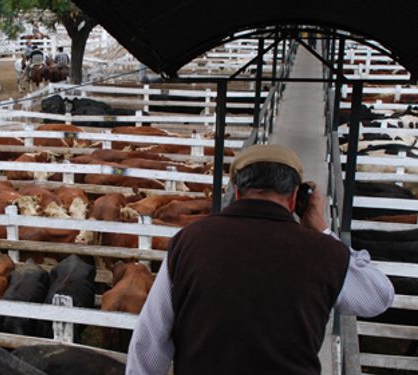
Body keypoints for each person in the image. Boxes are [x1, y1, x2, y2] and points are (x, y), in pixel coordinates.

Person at [126, 144, 395, 375]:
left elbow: (150, 339)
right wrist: (322, 228)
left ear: (238, 192)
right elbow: (378, 297)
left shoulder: (189, 240)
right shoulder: (325, 252)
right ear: (295, 199)